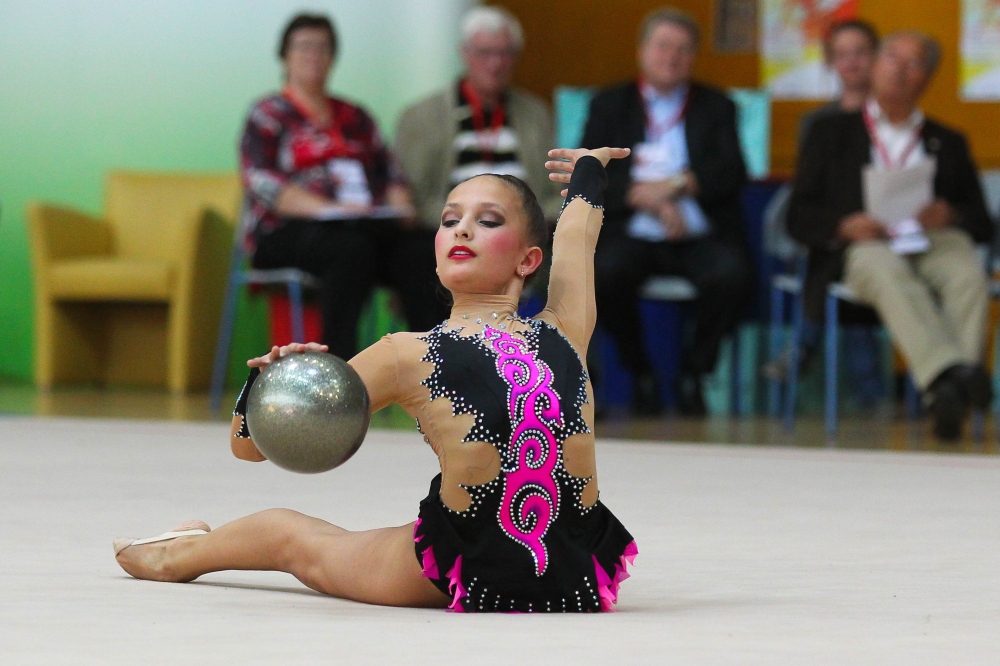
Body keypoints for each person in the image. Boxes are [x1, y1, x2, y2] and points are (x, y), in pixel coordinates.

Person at [113, 147, 638, 613]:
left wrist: (590, 173)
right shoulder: (406, 355)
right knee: (289, 536)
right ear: (434, 252)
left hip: (573, 563)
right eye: (450, 219)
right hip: (462, 558)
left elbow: (576, 239)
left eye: (488, 220)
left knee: (297, 539)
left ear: (528, 259)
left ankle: (182, 548)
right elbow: (251, 448)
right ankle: (173, 556)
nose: (462, 229)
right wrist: (275, 381)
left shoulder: (564, 328)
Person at [788, 31, 993, 440]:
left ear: (928, 77)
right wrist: (842, 225)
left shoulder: (948, 141)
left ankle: (946, 389)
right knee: (881, 264)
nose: (899, 70)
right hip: (865, 245)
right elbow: (798, 215)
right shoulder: (831, 133)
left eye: (912, 62)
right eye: (891, 58)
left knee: (967, 271)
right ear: (875, 66)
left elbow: (982, 222)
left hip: (928, 241)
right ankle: (952, 380)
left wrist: (949, 212)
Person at [240, 13, 448, 361]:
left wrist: (399, 205)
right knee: (351, 251)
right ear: (285, 55)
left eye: (323, 47)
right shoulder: (267, 114)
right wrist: (328, 209)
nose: (313, 54)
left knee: (421, 251)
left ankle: (431, 367)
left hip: (361, 228)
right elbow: (263, 183)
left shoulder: (356, 117)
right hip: (287, 232)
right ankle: (337, 369)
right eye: (304, 46)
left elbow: (391, 173)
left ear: (333, 57)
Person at [580, 8, 751, 416]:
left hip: (695, 233)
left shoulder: (717, 105)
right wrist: (644, 196)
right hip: (630, 230)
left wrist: (677, 186)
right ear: (642, 51)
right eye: (662, 46)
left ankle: (695, 371)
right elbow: (588, 169)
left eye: (682, 49)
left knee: (732, 275)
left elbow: (732, 171)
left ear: (693, 57)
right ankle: (639, 371)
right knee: (604, 273)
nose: (671, 57)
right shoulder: (609, 104)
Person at [395, 6, 564, 237]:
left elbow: (557, 192)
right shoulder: (421, 117)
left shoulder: (536, 115)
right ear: (465, 53)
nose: (495, 64)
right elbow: (416, 199)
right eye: (485, 53)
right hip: (448, 234)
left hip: (520, 236)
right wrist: (470, 224)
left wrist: (523, 222)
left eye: (504, 53)